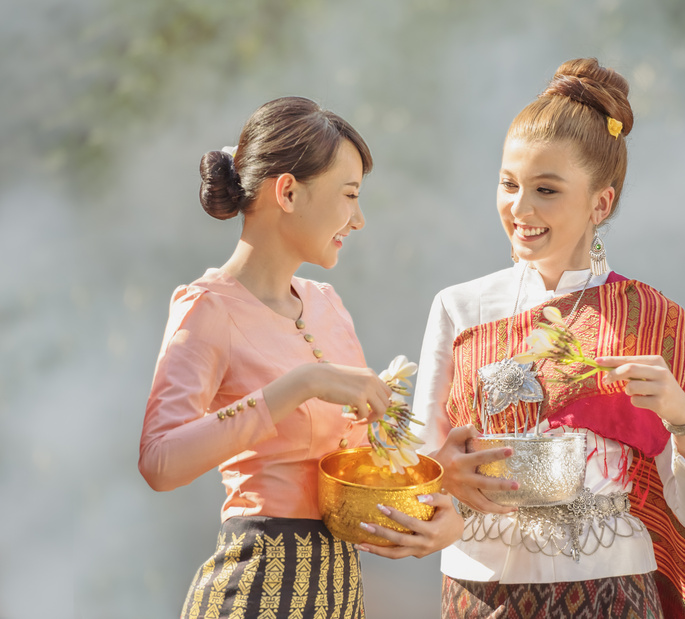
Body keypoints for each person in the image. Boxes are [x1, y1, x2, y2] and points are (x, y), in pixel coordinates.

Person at [411, 59, 685, 619]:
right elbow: (417, 475)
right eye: (509, 185)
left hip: (613, 590)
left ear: (599, 204)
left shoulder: (652, 318)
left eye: (546, 190)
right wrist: (441, 474)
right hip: (479, 594)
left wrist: (682, 417)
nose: (520, 208)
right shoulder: (458, 309)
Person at [139, 96, 460, 619]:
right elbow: (159, 462)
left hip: (338, 594)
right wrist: (302, 384)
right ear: (287, 191)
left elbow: (357, 464)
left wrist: (440, 500)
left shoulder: (328, 305)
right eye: (349, 195)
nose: (358, 219)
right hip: (251, 590)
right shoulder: (207, 307)